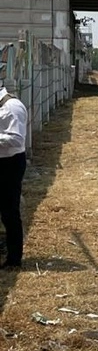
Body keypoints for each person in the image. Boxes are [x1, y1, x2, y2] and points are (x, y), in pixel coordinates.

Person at [0, 85, 28, 269]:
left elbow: (17, 138)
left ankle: (14, 258)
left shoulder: (12, 107)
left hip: (10, 164)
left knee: (10, 212)